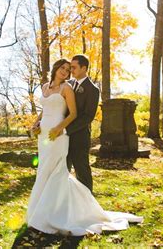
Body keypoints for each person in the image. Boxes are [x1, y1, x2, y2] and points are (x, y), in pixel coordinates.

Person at [26, 58, 143, 236]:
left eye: (72, 67)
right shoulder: (68, 83)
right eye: (66, 67)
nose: (69, 70)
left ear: (84, 68)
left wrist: (63, 129)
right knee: (56, 172)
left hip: (77, 135)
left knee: (82, 170)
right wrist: (39, 123)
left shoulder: (92, 89)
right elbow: (52, 108)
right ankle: (54, 209)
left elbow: (87, 116)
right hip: (53, 135)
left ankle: (86, 207)